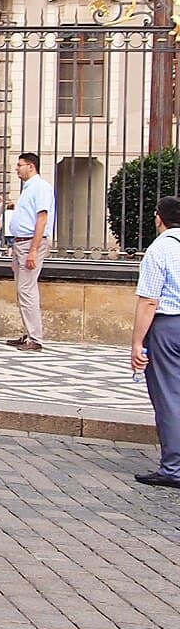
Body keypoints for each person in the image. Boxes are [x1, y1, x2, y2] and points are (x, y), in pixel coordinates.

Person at [131, 196, 180, 488]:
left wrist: (137, 342)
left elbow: (149, 300)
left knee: (170, 397)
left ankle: (173, 466)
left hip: (169, 326)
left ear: (159, 218)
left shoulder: (159, 249)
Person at [9, 152, 55, 352]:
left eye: (20, 165)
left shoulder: (40, 187)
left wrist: (34, 250)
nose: (17, 168)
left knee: (27, 290)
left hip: (30, 243)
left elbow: (42, 218)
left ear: (31, 166)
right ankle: (29, 333)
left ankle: (36, 338)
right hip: (21, 243)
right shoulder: (28, 188)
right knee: (22, 289)